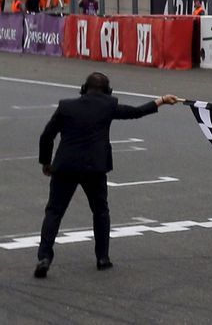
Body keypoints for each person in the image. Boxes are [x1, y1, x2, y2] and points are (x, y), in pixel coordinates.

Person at [35, 72, 179, 278]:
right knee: (100, 211)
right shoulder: (108, 106)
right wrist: (161, 101)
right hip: (95, 168)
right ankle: (102, 258)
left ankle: (44, 257)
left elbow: (46, 135)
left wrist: (46, 162)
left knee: (54, 212)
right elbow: (136, 112)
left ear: (83, 88)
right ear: (107, 91)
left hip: (66, 166)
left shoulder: (66, 106)